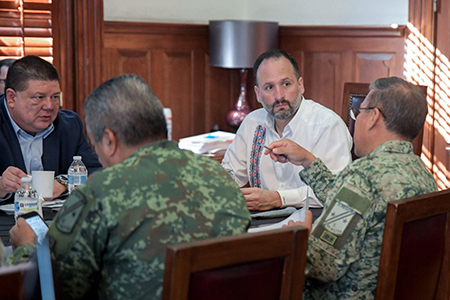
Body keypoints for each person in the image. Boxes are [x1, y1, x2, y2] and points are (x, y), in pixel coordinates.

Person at [8, 74, 251, 300]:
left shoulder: (100, 192)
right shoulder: (219, 177)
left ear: (110, 141)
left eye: (95, 145)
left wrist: (27, 248)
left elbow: (49, 289)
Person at [266, 76, 438, 299]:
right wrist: (309, 161)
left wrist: (299, 237)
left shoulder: (362, 176)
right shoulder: (424, 175)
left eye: (359, 113)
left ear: (373, 117)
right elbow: (354, 205)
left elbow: (321, 265)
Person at [222, 49, 352, 213]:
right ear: (257, 94)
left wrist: (278, 199)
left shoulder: (327, 125)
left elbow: (338, 192)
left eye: (286, 84)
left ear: (300, 85)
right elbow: (230, 175)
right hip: (261, 222)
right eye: (269, 87)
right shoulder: (252, 123)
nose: (279, 96)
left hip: (312, 222)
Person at [0, 56, 102, 202]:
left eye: (55, 97)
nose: (49, 106)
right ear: (11, 98)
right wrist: (1, 186)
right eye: (39, 97)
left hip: (56, 220)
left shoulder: (69, 125)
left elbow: (95, 171)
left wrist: (63, 182)